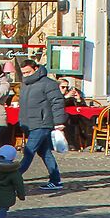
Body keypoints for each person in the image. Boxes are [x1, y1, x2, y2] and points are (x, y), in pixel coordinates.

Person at [11, 58, 66, 193]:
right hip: (30, 123)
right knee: (45, 152)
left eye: (28, 72)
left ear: (36, 69)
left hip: (42, 124)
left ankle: (12, 180)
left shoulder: (48, 84)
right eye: (23, 72)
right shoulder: (25, 84)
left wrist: (59, 123)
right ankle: (56, 180)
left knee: (29, 152)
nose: (26, 75)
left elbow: (57, 103)